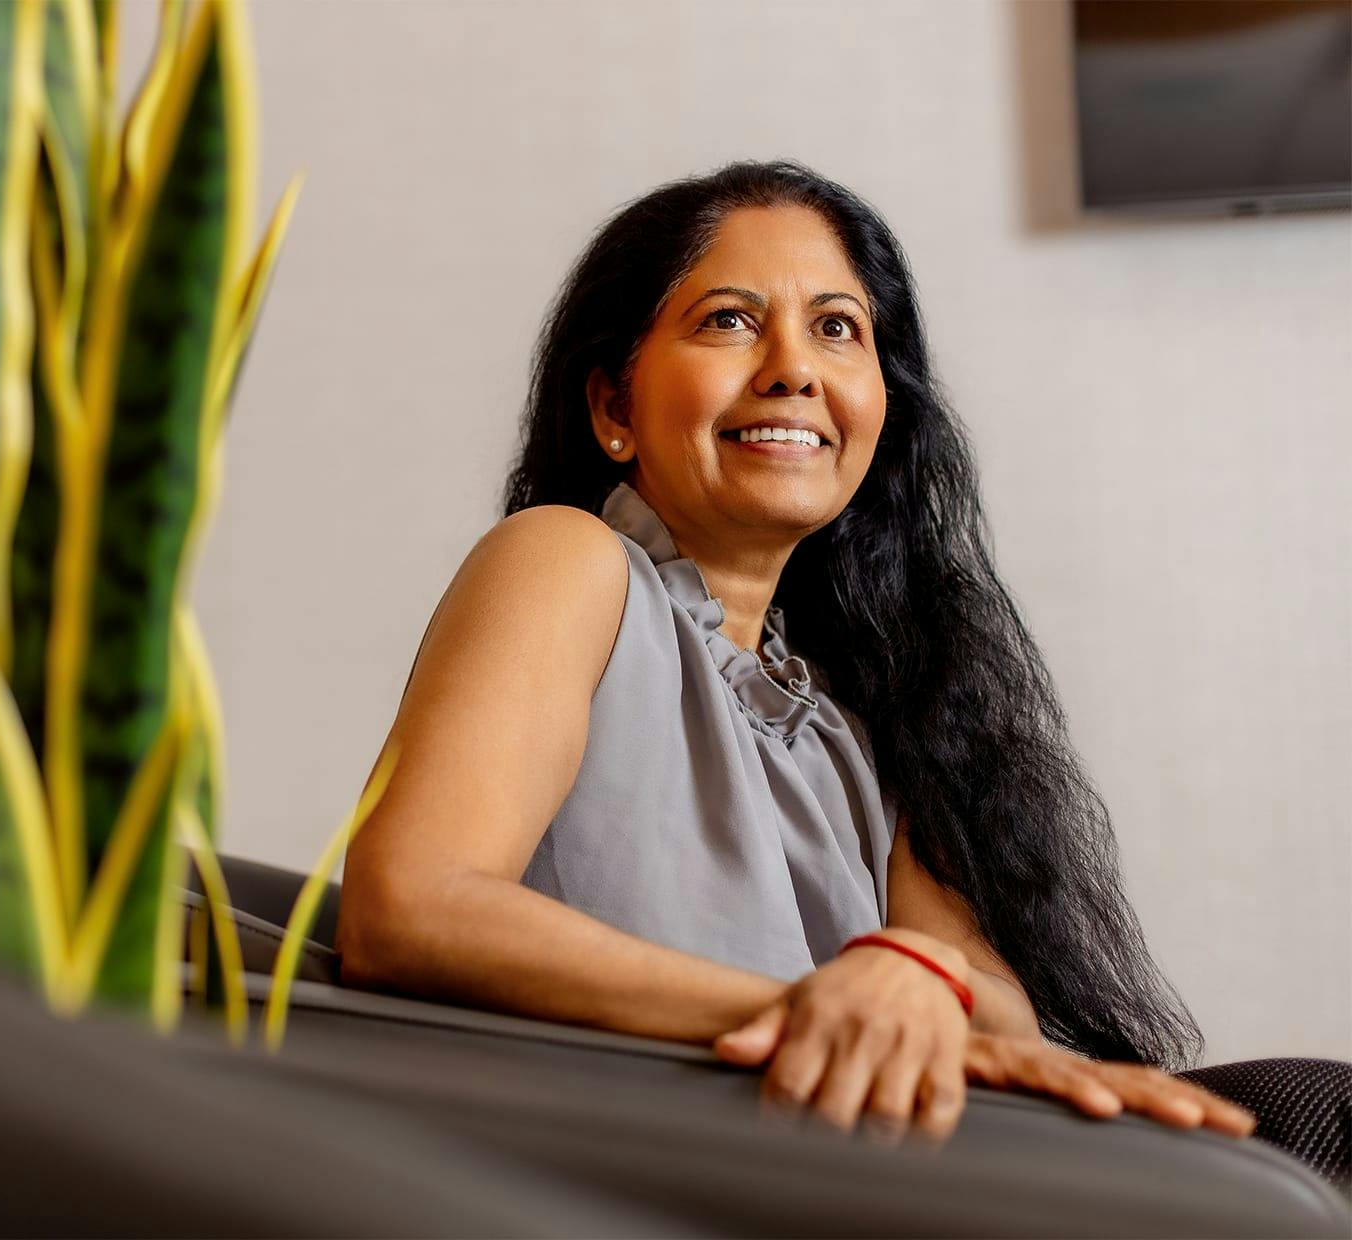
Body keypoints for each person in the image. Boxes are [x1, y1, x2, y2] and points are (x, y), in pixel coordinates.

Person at [335, 159, 1348, 1186]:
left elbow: (995, 1010)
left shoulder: (863, 698)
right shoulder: (565, 560)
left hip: (867, 1157)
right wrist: (812, 1005)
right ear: (614, 405)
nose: (792, 368)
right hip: (663, 1162)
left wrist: (915, 977)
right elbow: (409, 905)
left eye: (836, 327)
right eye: (729, 320)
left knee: (1323, 1116)